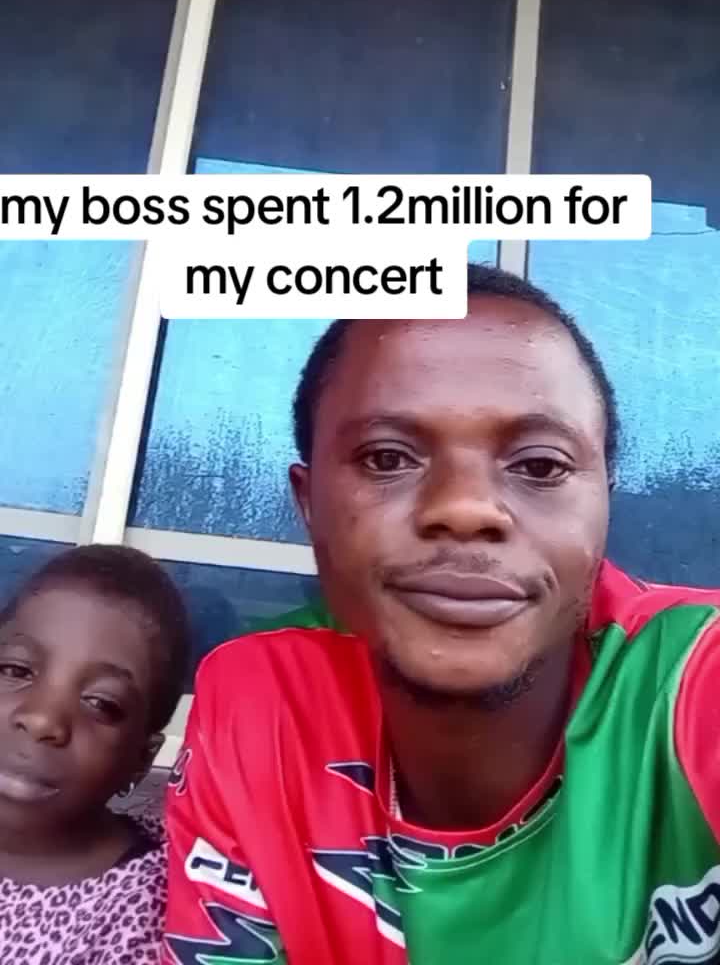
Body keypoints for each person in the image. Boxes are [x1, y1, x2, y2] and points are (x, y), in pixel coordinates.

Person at [164, 264, 720, 965]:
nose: (465, 508)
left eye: (540, 466)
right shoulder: (266, 708)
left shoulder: (693, 680)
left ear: (604, 501)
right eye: (387, 458)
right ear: (309, 505)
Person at [0, 544, 190, 964]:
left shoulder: (146, 907)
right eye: (16, 671)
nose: (43, 720)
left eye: (101, 703)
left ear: (141, 760)